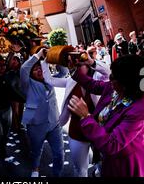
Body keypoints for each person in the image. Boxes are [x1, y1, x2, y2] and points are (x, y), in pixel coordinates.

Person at [68, 55, 144, 177]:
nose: (109, 78)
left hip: (124, 163)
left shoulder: (141, 108)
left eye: (113, 76)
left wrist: (86, 116)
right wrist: (74, 69)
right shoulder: (114, 89)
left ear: (126, 83)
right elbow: (92, 85)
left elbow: (112, 144)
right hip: (105, 156)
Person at [43, 47, 110, 177]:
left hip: (99, 130)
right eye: (74, 64)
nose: (77, 66)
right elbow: (50, 80)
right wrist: (46, 59)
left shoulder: (99, 79)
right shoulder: (70, 80)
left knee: (103, 166)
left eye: (80, 64)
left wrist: (90, 60)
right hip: (77, 131)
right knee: (80, 169)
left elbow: (108, 71)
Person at [20, 49, 64, 178]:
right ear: (31, 73)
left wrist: (54, 57)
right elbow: (24, 69)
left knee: (59, 153)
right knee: (36, 150)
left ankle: (57, 174)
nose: (39, 71)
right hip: (36, 125)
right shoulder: (27, 84)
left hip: (55, 123)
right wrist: (39, 55)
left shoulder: (50, 80)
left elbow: (64, 72)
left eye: (41, 68)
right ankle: (35, 168)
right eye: (35, 69)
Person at [0, 57, 20, 168]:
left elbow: (15, 90)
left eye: (4, 65)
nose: (2, 68)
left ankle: (2, 150)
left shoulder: (9, 77)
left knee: (5, 134)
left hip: (7, 110)